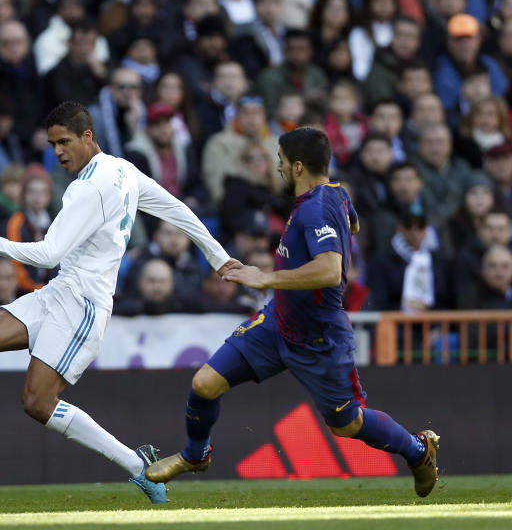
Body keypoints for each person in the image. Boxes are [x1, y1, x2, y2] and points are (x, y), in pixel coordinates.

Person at [0, 101, 239, 504]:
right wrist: (218, 257)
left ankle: (137, 468)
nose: (58, 151)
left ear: (88, 137)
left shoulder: (89, 187)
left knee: (38, 403)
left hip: (84, 305)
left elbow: (48, 253)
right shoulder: (121, 169)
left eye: (65, 141)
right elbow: (174, 208)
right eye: (53, 143)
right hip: (61, 291)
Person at [144, 127, 441, 500]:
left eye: (281, 162)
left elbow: (331, 271)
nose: (278, 168)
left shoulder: (315, 207)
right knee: (205, 383)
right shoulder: (334, 193)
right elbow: (351, 218)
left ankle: (418, 451)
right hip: (277, 323)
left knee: (347, 424)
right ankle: (195, 455)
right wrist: (345, 225)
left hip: (320, 338)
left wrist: (265, 277)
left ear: (298, 167)